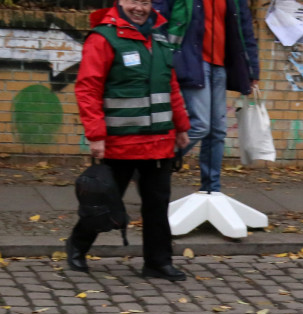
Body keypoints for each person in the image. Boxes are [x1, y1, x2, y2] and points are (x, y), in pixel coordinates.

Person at [68, 0, 192, 281]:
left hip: (159, 142)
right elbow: (88, 88)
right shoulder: (103, 38)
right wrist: (96, 135)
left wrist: (182, 126)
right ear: (120, 2)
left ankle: (158, 263)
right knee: (106, 203)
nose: (140, 8)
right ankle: (77, 244)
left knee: (157, 205)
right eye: (134, 1)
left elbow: (169, 84)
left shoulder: (158, 36)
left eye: (146, 2)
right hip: (119, 143)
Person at [154, 0, 260, 193]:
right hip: (192, 62)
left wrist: (252, 69)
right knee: (201, 125)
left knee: (218, 131)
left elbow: (245, 31)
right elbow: (158, 19)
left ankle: (211, 189)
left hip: (219, 66)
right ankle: (154, 164)